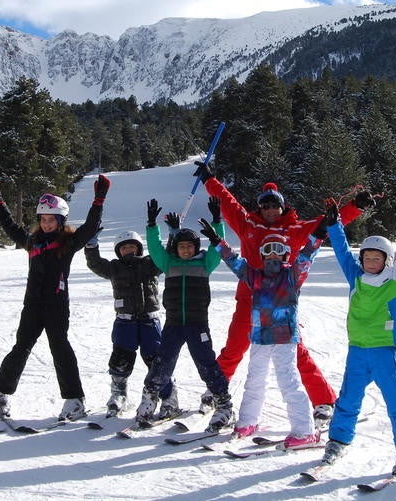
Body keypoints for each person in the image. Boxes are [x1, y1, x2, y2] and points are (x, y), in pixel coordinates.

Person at [193, 160, 374, 422]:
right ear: (260, 207)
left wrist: (355, 207)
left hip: (281, 300)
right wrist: (210, 180)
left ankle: (323, 400)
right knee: (235, 346)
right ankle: (216, 390)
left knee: (296, 350)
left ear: (282, 206)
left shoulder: (295, 229)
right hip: (249, 297)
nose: (269, 210)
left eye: (274, 204)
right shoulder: (247, 225)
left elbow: (328, 223)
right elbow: (228, 202)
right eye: (265, 205)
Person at [317, 192, 396, 476]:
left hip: (383, 350)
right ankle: (338, 441)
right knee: (348, 397)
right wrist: (333, 224)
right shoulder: (356, 278)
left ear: (386, 261)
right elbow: (341, 251)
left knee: (395, 397)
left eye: (377, 259)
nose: (371, 262)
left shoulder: (395, 280)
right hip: (357, 350)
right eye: (367, 257)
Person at [0, 174, 107, 422]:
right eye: (43, 219)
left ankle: (75, 400)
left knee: (60, 348)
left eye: (51, 220)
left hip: (56, 305)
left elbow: (90, 228)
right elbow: (10, 226)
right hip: (32, 304)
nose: (46, 224)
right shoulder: (32, 242)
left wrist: (98, 200)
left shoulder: (69, 243)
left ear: (61, 221)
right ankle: (2, 393)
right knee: (21, 348)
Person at [205, 220, 321, 449]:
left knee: (288, 380)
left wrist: (318, 233)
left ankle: (305, 430)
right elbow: (233, 260)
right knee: (254, 378)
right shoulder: (254, 275)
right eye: (268, 250)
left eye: (279, 250)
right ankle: (248, 421)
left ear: (286, 254)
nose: (273, 255)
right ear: (262, 255)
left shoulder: (293, 275)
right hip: (260, 336)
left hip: (284, 337)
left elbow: (308, 253)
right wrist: (218, 242)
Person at [135, 198, 234, 431]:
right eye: (182, 246)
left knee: (207, 363)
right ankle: (149, 399)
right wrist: (151, 225)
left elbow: (216, 248)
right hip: (173, 324)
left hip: (197, 324)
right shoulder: (168, 263)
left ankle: (223, 404)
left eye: (190, 246)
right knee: (161, 363)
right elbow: (156, 249)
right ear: (176, 248)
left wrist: (217, 222)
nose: (186, 249)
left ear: (196, 247)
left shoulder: (205, 263)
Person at [85, 226, 176, 418]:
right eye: (124, 248)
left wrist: (174, 236)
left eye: (132, 247)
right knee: (121, 359)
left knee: (156, 360)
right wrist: (91, 245)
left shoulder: (150, 264)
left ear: (139, 249)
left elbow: (165, 256)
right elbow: (95, 264)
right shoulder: (114, 268)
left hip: (149, 321)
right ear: (118, 251)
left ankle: (167, 397)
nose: (128, 250)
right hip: (125, 322)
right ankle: (119, 395)